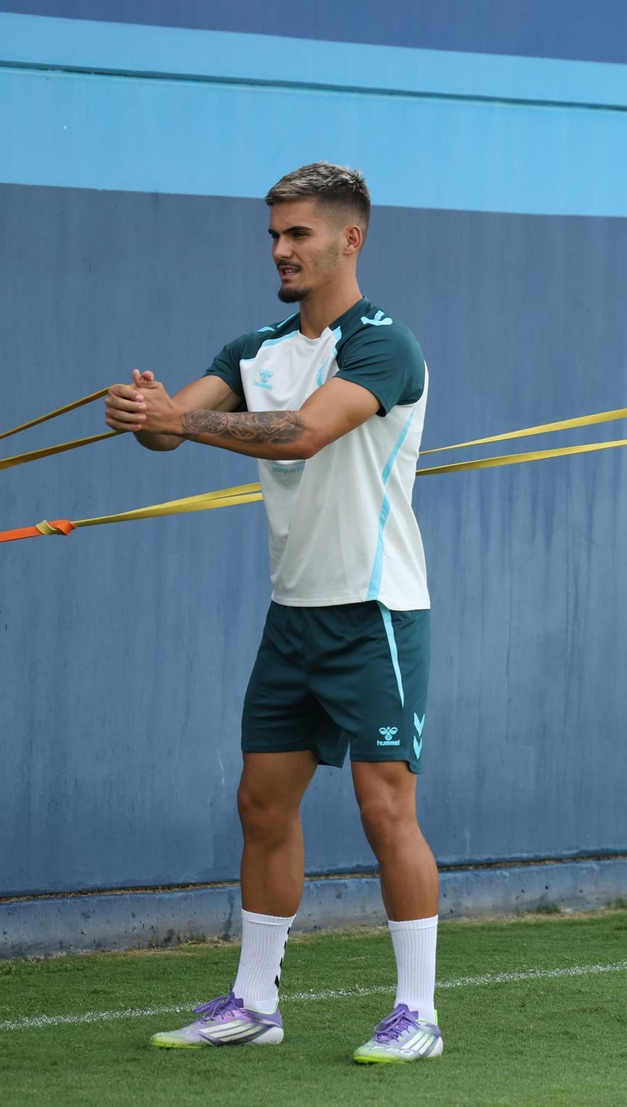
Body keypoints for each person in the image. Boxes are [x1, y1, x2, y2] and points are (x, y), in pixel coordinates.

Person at [104, 163, 442, 1062]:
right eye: (274, 236)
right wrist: (144, 412)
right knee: (262, 802)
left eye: (298, 234)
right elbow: (173, 426)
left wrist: (179, 422)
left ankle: (419, 1012)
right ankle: (255, 999)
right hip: (292, 614)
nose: (282, 250)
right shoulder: (254, 348)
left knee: (384, 810)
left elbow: (299, 430)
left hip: (374, 613)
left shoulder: (384, 344)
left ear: (349, 238)